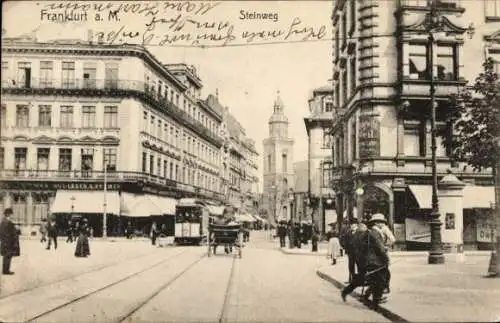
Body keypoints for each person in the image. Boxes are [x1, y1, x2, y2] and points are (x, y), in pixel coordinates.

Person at [341, 222, 369, 301]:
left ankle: (369, 295)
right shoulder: (359, 237)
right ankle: (346, 291)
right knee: (362, 278)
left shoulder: (359, 236)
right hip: (361, 258)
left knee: (365, 277)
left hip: (361, 258)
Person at [370, 213, 395, 294]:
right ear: (376, 223)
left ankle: (385, 287)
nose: (382, 223)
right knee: (382, 270)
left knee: (384, 270)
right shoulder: (375, 230)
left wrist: (386, 246)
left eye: (382, 222)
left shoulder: (384, 229)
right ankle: (381, 288)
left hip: (382, 251)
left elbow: (392, 239)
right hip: (378, 252)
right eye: (380, 222)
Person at [0, 208, 20, 275]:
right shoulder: (7, 222)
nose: (12, 215)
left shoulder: (4, 221)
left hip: (5, 242)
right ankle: (6, 271)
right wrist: (16, 230)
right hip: (8, 242)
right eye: (11, 214)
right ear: (8, 214)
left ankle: (5, 270)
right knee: (7, 256)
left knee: (7, 256)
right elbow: (7, 233)